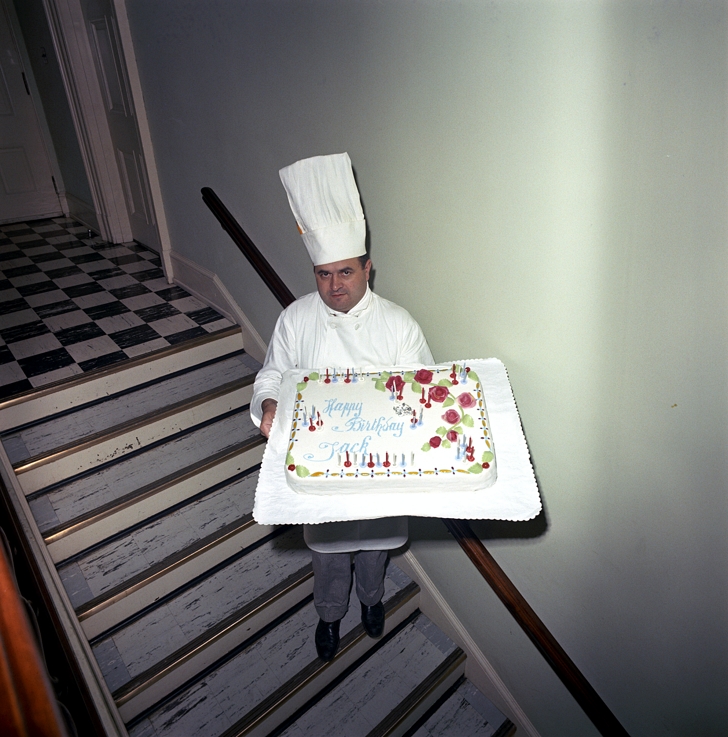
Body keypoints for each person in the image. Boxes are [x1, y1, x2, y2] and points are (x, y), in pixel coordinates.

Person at [251, 153, 433, 661]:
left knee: (374, 549)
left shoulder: (399, 325)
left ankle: (373, 602)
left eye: (347, 272)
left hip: (379, 472)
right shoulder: (295, 319)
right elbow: (272, 374)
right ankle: (330, 614)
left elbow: (423, 391)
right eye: (324, 274)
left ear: (368, 268)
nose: (335, 286)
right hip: (322, 467)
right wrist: (268, 403)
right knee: (329, 554)